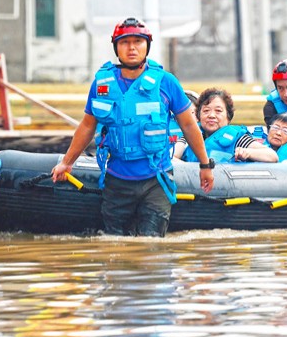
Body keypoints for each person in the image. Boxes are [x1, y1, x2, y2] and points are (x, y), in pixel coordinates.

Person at [50, 17, 214, 237]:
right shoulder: (101, 84)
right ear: (116, 47)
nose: (132, 47)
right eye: (125, 42)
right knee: (116, 248)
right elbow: (87, 126)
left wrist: (205, 165)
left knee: (152, 248)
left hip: (156, 179)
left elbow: (188, 125)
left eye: (138, 41)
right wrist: (66, 163)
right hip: (117, 181)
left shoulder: (166, 82)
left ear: (147, 46)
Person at [176, 87, 279, 163]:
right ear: (199, 116)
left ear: (228, 117)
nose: (211, 115)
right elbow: (172, 158)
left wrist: (248, 152)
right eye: (206, 111)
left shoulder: (238, 139)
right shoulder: (189, 136)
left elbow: (272, 156)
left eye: (218, 111)